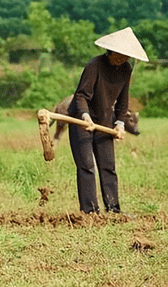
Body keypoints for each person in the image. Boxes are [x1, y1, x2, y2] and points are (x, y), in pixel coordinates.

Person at [67, 27, 148, 214]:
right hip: (81, 119)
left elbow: (123, 100)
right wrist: (85, 118)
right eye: (119, 56)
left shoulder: (126, 69)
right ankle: (90, 212)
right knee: (86, 165)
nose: (122, 60)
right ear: (109, 51)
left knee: (108, 165)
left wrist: (120, 124)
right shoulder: (94, 66)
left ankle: (113, 209)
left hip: (104, 120)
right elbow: (81, 96)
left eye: (126, 57)